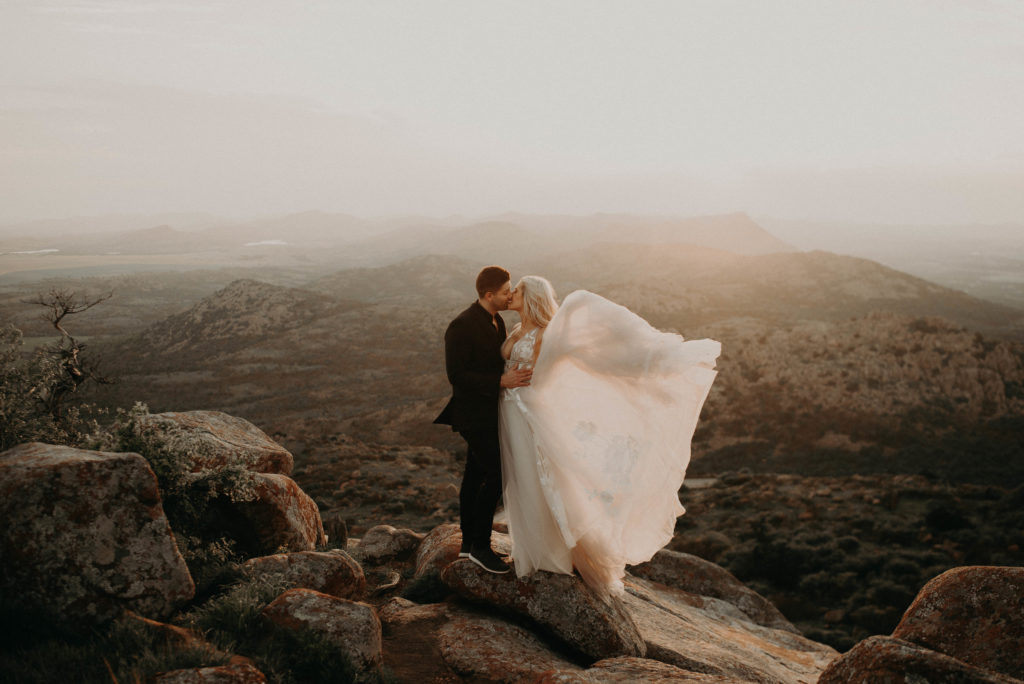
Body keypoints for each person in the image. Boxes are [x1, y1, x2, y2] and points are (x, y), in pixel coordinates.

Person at [499, 275, 720, 594]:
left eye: (517, 289)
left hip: (528, 412)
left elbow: (592, 360)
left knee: (539, 481)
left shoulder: (551, 333)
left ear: (532, 296)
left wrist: (653, 368)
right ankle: (528, 550)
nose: (511, 294)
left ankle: (550, 556)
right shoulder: (516, 329)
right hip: (508, 408)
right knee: (520, 479)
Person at [434, 266, 532, 574]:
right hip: (472, 414)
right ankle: (479, 546)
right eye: (505, 292)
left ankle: (467, 545)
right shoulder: (461, 326)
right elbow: (457, 375)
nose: (510, 296)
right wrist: (501, 382)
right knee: (499, 472)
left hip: (491, 411)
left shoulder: (497, 320)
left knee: (475, 475)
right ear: (489, 295)